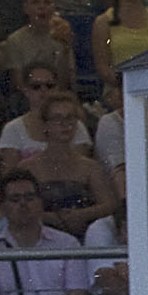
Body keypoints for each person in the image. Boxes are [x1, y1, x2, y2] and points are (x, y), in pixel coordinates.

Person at [19, 89, 115, 239]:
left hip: (83, 238)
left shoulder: (90, 167)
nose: (65, 124)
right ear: (45, 124)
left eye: (70, 118)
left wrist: (81, 215)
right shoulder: (27, 167)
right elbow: (17, 207)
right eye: (57, 118)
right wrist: (51, 217)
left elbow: (108, 206)